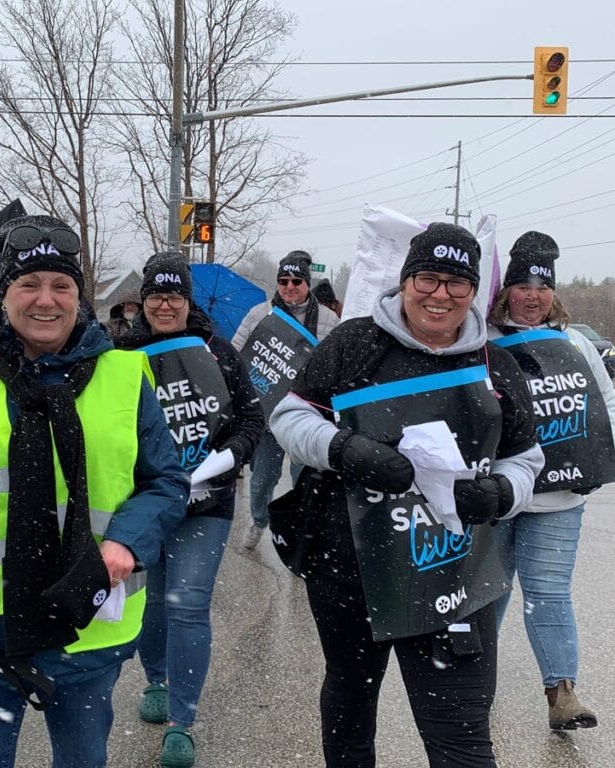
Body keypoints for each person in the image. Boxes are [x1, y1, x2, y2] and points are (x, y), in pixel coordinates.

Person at [0, 215, 189, 768]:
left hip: (86, 623)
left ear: (79, 297)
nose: (47, 300)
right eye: (29, 284)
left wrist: (126, 543)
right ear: (4, 295)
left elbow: (164, 480)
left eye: (62, 285)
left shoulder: (126, 374)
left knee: (83, 759)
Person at [270, 222, 544, 767]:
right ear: (405, 280)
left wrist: (500, 492)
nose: (440, 294)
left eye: (457, 283)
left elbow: (527, 458)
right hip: (349, 566)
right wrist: (343, 448)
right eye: (428, 278)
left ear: (474, 293)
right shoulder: (354, 343)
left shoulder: (496, 362)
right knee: (349, 701)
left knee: (462, 735)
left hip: (453, 575)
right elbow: (289, 416)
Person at [115, 252, 263, 768]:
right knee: (151, 601)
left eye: (174, 294)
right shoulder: (119, 355)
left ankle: (183, 719)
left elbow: (251, 420)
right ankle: (155, 678)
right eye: (155, 294)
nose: (164, 303)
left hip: (209, 501)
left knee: (188, 604)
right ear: (142, 301)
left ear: (187, 299)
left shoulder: (219, 352)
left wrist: (224, 459)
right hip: (144, 503)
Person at [488, 231, 615, 732]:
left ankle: (561, 693)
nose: (532, 296)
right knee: (487, 593)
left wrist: (596, 464)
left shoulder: (575, 344)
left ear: (554, 294)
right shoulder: (482, 341)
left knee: (548, 593)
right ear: (505, 292)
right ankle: (473, 684)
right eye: (522, 285)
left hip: (559, 497)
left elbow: (604, 405)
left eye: (542, 287)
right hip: (496, 495)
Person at [231, 250, 340, 550]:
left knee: (303, 478)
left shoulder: (329, 319)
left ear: (307, 283)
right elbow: (236, 354)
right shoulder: (259, 313)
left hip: (307, 416)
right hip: (267, 413)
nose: (290, 287)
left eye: (296, 281)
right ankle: (257, 521)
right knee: (262, 479)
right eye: (283, 281)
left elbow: (338, 361)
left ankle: (302, 534)